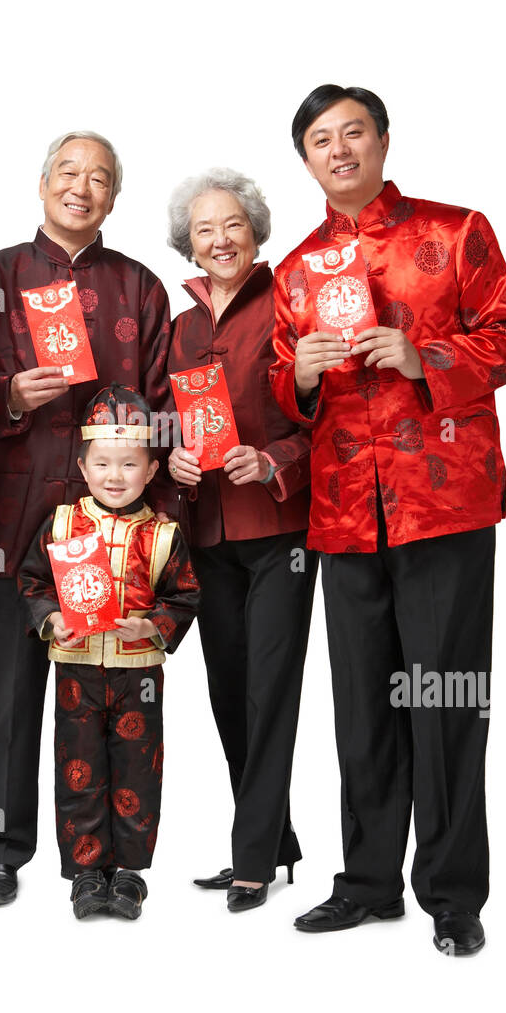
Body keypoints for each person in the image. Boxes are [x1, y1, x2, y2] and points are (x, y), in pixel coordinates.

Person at [270, 85, 506, 955]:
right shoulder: (296, 270)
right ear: (305, 158)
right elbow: (282, 392)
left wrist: (427, 357)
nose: (339, 149)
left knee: (446, 700)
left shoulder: (455, 231)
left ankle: (453, 896)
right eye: (321, 139)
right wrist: (301, 375)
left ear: (383, 140)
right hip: (343, 514)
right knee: (364, 707)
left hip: (444, 503)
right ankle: (369, 883)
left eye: (354, 133)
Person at [0, 131, 176, 907]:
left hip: (117, 524)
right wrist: (8, 397)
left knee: (113, 698)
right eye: (68, 173)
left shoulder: (140, 287)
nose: (82, 188)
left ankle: (110, 858)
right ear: (43, 182)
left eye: (100, 179)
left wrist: (156, 500)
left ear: (116, 197)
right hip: (12, 515)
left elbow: (167, 406)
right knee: (9, 692)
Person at [166, 170, 316, 912]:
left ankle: (251, 857)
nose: (220, 239)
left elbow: (331, 419)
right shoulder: (181, 327)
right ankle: (275, 841)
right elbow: (167, 421)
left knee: (269, 691)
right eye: (204, 230)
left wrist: (274, 459)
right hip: (208, 530)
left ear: (255, 229)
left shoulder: (291, 300)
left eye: (232, 224)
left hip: (280, 530)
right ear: (187, 244)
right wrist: (174, 458)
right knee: (228, 691)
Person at [17, 385, 200, 920]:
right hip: (76, 670)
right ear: (83, 465)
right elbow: (32, 583)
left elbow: (185, 594)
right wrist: (52, 620)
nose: (114, 476)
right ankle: (85, 872)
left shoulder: (164, 534)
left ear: (150, 470)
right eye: (102, 464)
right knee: (79, 766)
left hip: (138, 675)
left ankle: (129, 873)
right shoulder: (62, 523)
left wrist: (151, 625)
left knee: (137, 768)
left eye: (128, 464)